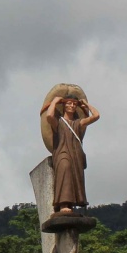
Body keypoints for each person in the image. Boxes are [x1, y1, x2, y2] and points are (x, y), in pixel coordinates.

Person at [40, 85, 100, 216]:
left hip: (76, 154)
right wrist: (55, 101)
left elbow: (96, 116)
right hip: (62, 152)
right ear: (64, 106)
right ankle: (63, 204)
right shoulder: (59, 122)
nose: (72, 106)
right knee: (64, 168)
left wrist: (86, 105)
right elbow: (49, 116)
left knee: (73, 175)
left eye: (74, 104)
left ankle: (71, 204)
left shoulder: (78, 123)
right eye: (69, 103)